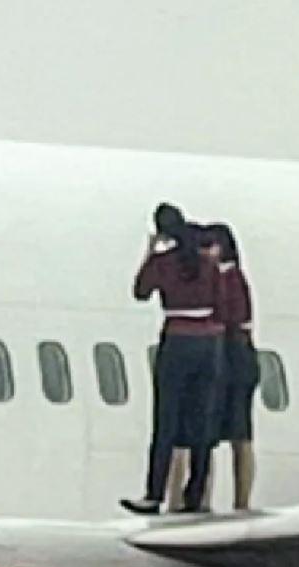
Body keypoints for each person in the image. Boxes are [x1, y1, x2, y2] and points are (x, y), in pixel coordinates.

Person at [120, 204, 225, 515]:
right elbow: (220, 302)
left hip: (177, 339)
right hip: (208, 342)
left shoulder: (164, 263)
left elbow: (140, 291)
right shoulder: (207, 264)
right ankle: (195, 494)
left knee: (166, 421)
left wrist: (150, 252)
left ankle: (154, 494)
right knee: (201, 422)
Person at [200, 223, 260, 510]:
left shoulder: (228, 279)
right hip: (235, 352)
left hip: (232, 354)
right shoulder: (232, 278)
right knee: (228, 435)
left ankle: (237, 500)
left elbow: (225, 315)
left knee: (236, 434)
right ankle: (209, 498)